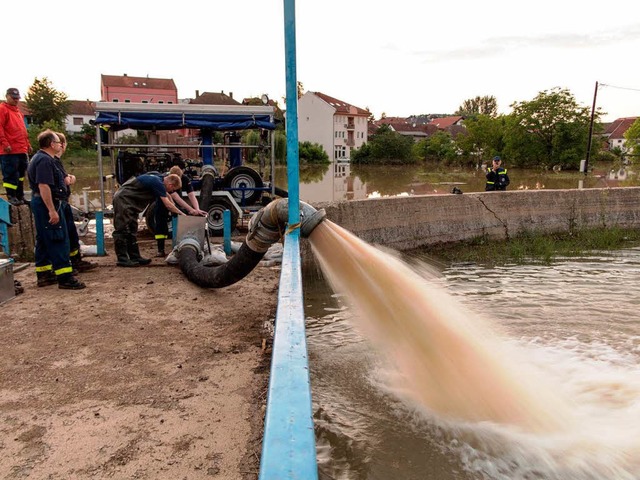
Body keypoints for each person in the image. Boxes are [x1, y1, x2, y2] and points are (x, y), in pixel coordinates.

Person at [27, 129, 85, 289]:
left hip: (44, 203)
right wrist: (52, 210)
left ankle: (44, 274)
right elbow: (44, 186)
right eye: (58, 142)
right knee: (58, 239)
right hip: (48, 203)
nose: (61, 145)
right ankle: (65, 278)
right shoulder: (45, 161)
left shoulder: (42, 159)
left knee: (45, 240)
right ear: (52, 144)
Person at [112, 173, 184, 267]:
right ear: (171, 185)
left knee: (132, 229)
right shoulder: (158, 183)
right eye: (173, 190)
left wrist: (175, 206)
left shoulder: (159, 178)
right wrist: (182, 214)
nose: (171, 191)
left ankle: (135, 256)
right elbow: (167, 204)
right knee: (122, 228)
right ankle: (122, 259)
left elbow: (167, 196)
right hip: (123, 199)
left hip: (130, 202)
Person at [53, 132, 98, 273]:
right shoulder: (50, 161)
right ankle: (62, 268)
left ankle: (75, 260)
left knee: (71, 234)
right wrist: (70, 178)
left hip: (63, 201)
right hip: (58, 202)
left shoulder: (56, 161)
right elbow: (65, 180)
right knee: (61, 236)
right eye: (62, 143)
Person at [153, 165, 207, 257]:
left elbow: (191, 195)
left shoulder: (185, 179)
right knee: (160, 222)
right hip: (163, 201)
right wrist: (190, 209)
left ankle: (183, 245)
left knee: (181, 221)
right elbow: (175, 197)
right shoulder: (166, 180)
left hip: (177, 202)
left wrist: (197, 209)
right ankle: (160, 249)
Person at [0, 88, 32, 205]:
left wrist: (27, 144)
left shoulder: (18, 112)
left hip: (21, 148)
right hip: (9, 150)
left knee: (21, 174)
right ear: (7, 96)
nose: (15, 100)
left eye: (17, 98)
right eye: (13, 98)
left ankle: (20, 195)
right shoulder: (2, 109)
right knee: (10, 173)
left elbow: (23, 130)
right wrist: (5, 143)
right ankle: (11, 195)